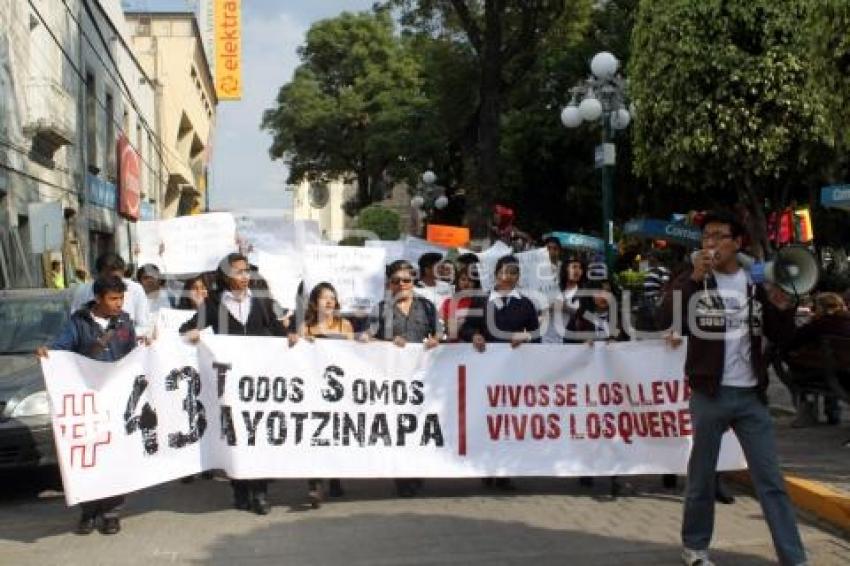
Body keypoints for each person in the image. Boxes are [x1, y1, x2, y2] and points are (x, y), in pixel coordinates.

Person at [660, 210, 806, 566]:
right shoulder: (696, 279)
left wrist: (783, 305)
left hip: (751, 397)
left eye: (718, 235)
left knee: (770, 480)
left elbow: (783, 335)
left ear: (737, 242)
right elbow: (663, 315)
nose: (710, 243)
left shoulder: (755, 283)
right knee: (702, 477)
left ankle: (794, 558)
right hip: (710, 395)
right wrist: (693, 279)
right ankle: (694, 547)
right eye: (706, 236)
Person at [179, 253, 289, 515]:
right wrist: (191, 335)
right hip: (228, 383)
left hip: (259, 382)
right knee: (235, 435)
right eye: (240, 272)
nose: (245, 276)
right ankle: (240, 489)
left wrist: (291, 335)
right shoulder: (214, 303)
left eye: (247, 271)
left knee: (258, 434)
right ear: (227, 275)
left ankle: (260, 492)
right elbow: (186, 329)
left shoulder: (263, 301)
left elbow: (280, 331)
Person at [36, 275, 141, 535]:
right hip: (86, 402)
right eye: (113, 298)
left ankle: (111, 511)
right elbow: (61, 350)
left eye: (121, 298)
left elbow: (133, 354)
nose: (119, 304)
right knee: (88, 455)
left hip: (115, 401)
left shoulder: (125, 323)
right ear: (98, 298)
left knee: (114, 455)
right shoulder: (78, 323)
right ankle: (89, 511)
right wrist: (48, 354)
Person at [460, 255, 539, 491]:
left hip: (513, 374)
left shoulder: (525, 304)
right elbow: (466, 328)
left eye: (515, 272)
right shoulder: (481, 301)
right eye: (505, 271)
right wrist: (474, 335)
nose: (509, 276)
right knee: (485, 419)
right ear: (496, 274)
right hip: (484, 371)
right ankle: (485, 467)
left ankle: (505, 470)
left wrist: (525, 336)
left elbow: (537, 335)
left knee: (507, 421)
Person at [365, 260, 439, 497]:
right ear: (389, 284)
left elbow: (439, 334)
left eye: (406, 280)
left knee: (420, 425)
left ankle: (417, 471)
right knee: (399, 426)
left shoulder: (427, 307)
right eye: (396, 281)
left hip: (422, 377)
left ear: (413, 282)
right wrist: (388, 343)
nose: (401, 284)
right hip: (393, 380)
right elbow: (367, 339)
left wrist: (437, 340)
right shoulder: (380, 309)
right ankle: (402, 476)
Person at [289, 282, 353, 508]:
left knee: (335, 433)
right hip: (314, 391)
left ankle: (334, 478)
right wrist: (297, 341)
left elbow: (355, 357)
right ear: (315, 304)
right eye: (324, 297)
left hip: (338, 391)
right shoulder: (305, 327)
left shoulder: (345, 326)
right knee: (315, 435)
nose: (329, 301)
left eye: (332, 298)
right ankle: (315, 485)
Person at [786, 292, 850, 427]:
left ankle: (807, 413)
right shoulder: (846, 322)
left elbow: (793, 341)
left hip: (828, 374)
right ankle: (833, 412)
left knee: (797, 370)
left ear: (820, 308)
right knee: (828, 366)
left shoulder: (819, 324)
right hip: (845, 373)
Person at [71, 252, 149, 335]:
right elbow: (74, 324)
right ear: (98, 275)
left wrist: (122, 336)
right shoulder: (83, 291)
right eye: (109, 278)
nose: (113, 283)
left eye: (117, 278)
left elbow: (143, 325)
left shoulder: (135, 290)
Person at [542, 255, 583, 344]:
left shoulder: (583, 293)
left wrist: (565, 307)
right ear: (566, 269)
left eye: (580, 268)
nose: (577, 271)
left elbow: (582, 314)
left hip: (568, 343)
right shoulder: (554, 288)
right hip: (547, 339)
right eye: (574, 267)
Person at [441, 262, 480, 341]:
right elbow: (442, 327)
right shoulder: (448, 302)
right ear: (458, 281)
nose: (466, 283)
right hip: (452, 346)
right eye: (463, 279)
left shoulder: (480, 302)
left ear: (475, 283)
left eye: (470, 280)